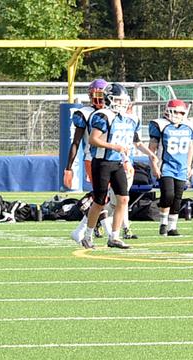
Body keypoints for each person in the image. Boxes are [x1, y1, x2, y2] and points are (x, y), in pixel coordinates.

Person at [78, 83, 156, 250]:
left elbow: (135, 142)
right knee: (99, 202)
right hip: (102, 162)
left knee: (123, 199)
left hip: (118, 163)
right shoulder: (103, 116)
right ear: (109, 99)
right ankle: (87, 235)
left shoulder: (130, 119)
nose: (121, 103)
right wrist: (114, 147)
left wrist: (150, 153)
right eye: (118, 100)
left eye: (123, 100)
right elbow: (93, 139)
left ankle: (114, 237)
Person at [67, 78, 112, 246]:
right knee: (102, 198)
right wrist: (68, 168)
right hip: (93, 158)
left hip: (111, 159)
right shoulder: (84, 113)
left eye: (102, 95)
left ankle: (83, 231)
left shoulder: (112, 112)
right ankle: (107, 234)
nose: (99, 99)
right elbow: (76, 142)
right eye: (96, 95)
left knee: (106, 198)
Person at [148, 99, 193, 237]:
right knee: (168, 194)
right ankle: (163, 223)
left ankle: (172, 227)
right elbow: (152, 148)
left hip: (181, 167)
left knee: (178, 198)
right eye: (175, 111)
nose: (178, 115)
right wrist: (154, 166)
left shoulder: (189, 126)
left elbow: (190, 147)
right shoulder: (161, 125)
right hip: (166, 165)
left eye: (181, 112)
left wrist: (189, 165)